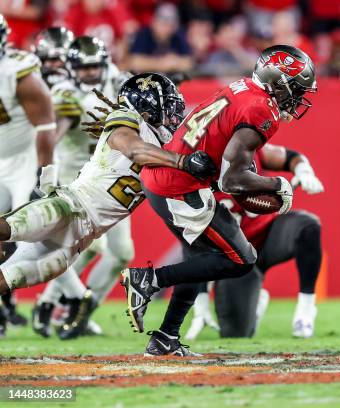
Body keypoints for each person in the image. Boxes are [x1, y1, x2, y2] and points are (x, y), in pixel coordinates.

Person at [121, 45, 317, 356]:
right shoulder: (262, 108)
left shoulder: (244, 88)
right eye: (296, 88)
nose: (298, 97)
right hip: (178, 187)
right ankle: (149, 279)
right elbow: (231, 180)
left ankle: (165, 338)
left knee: (202, 262)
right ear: (278, 82)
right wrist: (276, 185)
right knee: (242, 259)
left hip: (169, 180)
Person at [0, 72, 216, 315]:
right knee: (8, 228)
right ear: (147, 109)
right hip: (70, 207)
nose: (174, 113)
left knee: (12, 277)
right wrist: (185, 162)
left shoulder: (165, 146)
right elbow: (134, 150)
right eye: (167, 105)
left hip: (83, 237)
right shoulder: (125, 119)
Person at [30, 36, 135, 340]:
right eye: (82, 67)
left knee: (121, 253)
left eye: (93, 66)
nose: (89, 72)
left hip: (113, 177)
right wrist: (43, 173)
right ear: (72, 67)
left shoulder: (121, 82)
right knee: (87, 247)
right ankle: (62, 307)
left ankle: (78, 311)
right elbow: (52, 135)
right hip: (76, 177)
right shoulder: (66, 93)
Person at [185, 143, 324, 340]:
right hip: (234, 259)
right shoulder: (195, 168)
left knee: (308, 226)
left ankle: (306, 311)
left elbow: (291, 157)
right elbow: (192, 242)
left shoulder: (249, 148)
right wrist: (201, 300)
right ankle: (254, 302)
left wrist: (304, 171)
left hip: (267, 236)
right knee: (236, 333)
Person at [0, 14, 56, 337]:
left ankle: (9, 301)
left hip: (22, 160)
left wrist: (43, 174)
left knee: (19, 232)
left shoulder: (18, 73)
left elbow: (46, 127)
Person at [128, 3, 193, 74]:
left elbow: (189, 62)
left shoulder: (177, 36)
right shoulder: (144, 34)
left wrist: (175, 62)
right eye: (163, 24)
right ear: (154, 22)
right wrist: (160, 63)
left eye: (171, 25)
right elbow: (134, 61)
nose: (167, 28)